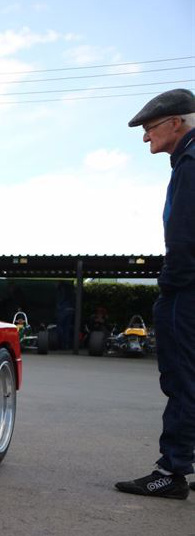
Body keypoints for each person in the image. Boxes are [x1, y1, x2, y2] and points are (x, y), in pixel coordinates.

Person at [116, 88, 195, 499]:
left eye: (150, 128)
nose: (146, 137)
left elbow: (184, 235)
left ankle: (172, 471)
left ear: (176, 123)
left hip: (187, 290)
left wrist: (169, 285)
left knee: (182, 378)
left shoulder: (190, 162)